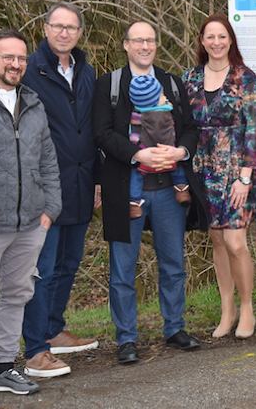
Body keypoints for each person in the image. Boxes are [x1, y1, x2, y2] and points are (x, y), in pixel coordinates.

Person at [94, 21, 207, 364]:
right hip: (126, 188)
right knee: (122, 269)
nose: (145, 46)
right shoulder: (109, 85)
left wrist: (179, 153)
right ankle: (127, 338)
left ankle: (174, 328)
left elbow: (189, 129)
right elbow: (100, 133)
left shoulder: (171, 83)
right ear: (125, 45)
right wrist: (135, 155)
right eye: (138, 40)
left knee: (173, 264)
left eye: (150, 40)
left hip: (169, 190)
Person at [0, 29, 62, 397]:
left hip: (31, 223)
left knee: (17, 295)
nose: (16, 64)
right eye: (8, 57)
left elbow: (48, 159)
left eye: (21, 58)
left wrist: (51, 209)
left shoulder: (33, 103)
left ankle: (5, 368)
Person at [20, 2, 100, 378]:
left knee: (69, 263)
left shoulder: (86, 72)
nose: (64, 33)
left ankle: (53, 328)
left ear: (80, 33)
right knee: (43, 268)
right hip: (45, 186)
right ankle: (35, 347)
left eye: (71, 27)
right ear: (45, 28)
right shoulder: (29, 71)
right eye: (58, 26)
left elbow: (92, 129)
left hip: (82, 183)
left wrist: (98, 179)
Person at [181, 14, 256, 339]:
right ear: (202, 41)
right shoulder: (189, 79)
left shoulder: (246, 78)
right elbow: (181, 124)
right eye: (210, 37)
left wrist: (245, 177)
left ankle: (247, 309)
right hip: (202, 169)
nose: (216, 42)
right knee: (215, 239)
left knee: (235, 241)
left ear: (230, 40)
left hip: (236, 169)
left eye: (222, 36)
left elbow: (254, 130)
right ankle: (226, 310)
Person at [126, 73, 191, 213]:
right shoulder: (168, 110)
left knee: (136, 176)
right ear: (153, 100)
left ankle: (134, 203)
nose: (166, 97)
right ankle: (181, 189)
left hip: (147, 156)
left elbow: (134, 134)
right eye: (162, 95)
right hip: (169, 153)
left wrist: (136, 148)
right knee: (178, 170)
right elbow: (176, 129)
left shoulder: (138, 114)